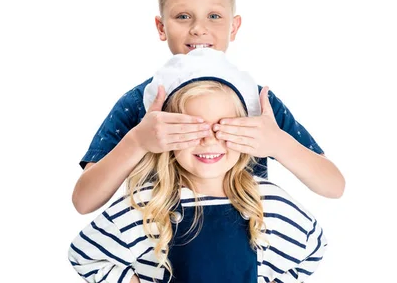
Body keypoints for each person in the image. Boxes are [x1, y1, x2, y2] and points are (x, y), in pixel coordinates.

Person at [72, 0, 345, 215]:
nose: (198, 28)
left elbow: (334, 186)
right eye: (182, 16)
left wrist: (279, 145)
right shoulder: (139, 102)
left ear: (234, 27)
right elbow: (84, 202)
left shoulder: (258, 102)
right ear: (161, 27)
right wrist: (137, 142)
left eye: (214, 16)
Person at [68, 48, 327, 283]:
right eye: (192, 128)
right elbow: (85, 255)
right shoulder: (146, 207)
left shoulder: (270, 203)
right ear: (167, 136)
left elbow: (313, 246)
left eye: (223, 126)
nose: (209, 140)